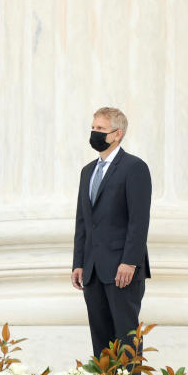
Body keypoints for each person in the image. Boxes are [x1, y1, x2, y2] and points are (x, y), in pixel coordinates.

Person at [71, 107, 151, 357]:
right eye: (93, 127)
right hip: (93, 270)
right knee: (101, 340)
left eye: (100, 129)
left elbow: (139, 221)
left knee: (126, 339)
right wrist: (79, 263)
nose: (94, 133)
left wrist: (129, 262)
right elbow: (83, 222)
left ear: (117, 134)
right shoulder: (87, 172)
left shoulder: (134, 168)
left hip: (122, 270)